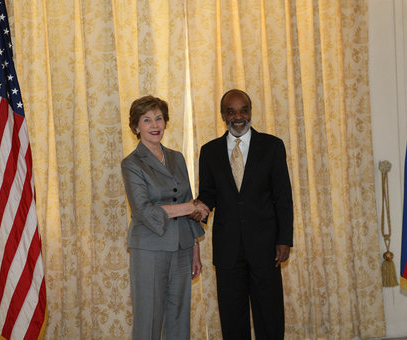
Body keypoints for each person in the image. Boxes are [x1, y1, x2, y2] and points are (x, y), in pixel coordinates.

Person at [198, 89, 293, 340]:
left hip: (266, 247)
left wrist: (284, 239)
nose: (238, 116)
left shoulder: (272, 146)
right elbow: (208, 194)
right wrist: (195, 210)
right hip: (228, 250)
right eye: (231, 111)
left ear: (250, 112)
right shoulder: (209, 151)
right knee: (232, 318)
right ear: (222, 115)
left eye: (243, 110)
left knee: (270, 317)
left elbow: (283, 197)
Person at [121, 95, 209, 340]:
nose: (154, 125)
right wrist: (190, 207)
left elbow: (187, 197)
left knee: (179, 317)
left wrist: (194, 249)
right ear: (136, 127)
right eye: (147, 120)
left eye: (159, 118)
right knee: (148, 319)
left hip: (182, 248)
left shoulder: (177, 157)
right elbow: (142, 210)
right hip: (149, 249)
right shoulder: (131, 163)